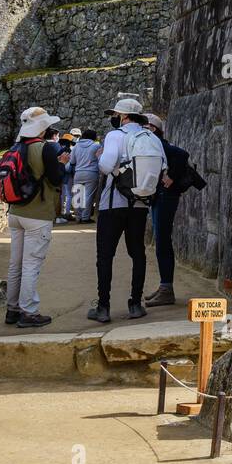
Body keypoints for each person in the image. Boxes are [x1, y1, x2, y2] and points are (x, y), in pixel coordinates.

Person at [89, 95, 166, 324]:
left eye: (115, 115)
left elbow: (105, 166)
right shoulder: (151, 137)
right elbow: (162, 167)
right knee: (137, 253)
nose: (114, 118)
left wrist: (103, 157)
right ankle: (135, 304)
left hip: (113, 203)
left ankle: (103, 307)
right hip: (139, 204)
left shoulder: (115, 135)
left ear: (122, 116)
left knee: (105, 256)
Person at [5, 107, 69, 328]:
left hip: (15, 212)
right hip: (37, 213)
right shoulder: (46, 149)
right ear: (43, 128)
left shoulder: (17, 146)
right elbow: (56, 179)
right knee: (32, 264)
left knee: (16, 264)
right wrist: (62, 164)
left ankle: (12, 309)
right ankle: (28, 312)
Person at [143, 113, 207, 308]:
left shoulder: (159, 144)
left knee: (163, 240)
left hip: (165, 196)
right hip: (160, 197)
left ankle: (166, 289)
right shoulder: (154, 144)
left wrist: (170, 175)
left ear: (152, 129)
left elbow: (181, 155)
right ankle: (164, 287)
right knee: (161, 239)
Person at [69, 127, 101, 223]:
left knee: (78, 195)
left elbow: (72, 161)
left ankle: (78, 217)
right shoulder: (96, 146)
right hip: (92, 173)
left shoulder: (76, 147)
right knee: (88, 196)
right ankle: (85, 217)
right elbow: (100, 159)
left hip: (78, 173)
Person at [56, 132, 76, 223]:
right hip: (68, 175)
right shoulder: (70, 151)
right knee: (69, 195)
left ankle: (61, 212)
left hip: (60, 174)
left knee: (62, 195)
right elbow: (71, 164)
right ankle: (67, 213)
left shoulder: (59, 150)